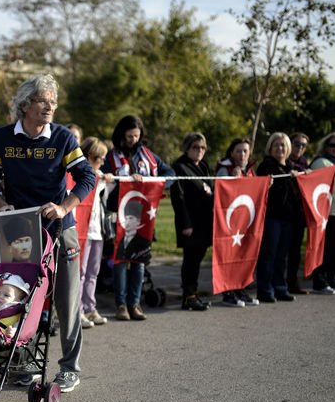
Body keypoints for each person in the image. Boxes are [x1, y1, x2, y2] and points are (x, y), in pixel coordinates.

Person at [0, 74, 95, 393]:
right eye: (43, 100)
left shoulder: (63, 138)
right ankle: (24, 366)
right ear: (25, 105)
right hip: (19, 231)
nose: (50, 107)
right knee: (21, 300)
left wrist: (64, 207)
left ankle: (69, 368)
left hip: (61, 231)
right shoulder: (2, 138)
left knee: (66, 301)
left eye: (53, 101)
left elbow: (87, 177)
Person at [101, 115, 174, 321]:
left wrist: (153, 183)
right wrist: (114, 179)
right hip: (119, 215)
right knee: (121, 261)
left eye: (136, 135)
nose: (133, 139)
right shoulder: (111, 157)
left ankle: (135, 303)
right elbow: (100, 176)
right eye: (129, 136)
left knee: (139, 260)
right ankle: (121, 305)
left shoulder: (149, 156)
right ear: (121, 135)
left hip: (144, 216)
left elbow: (170, 174)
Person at [170, 133, 213, 312]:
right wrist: (185, 224)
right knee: (191, 260)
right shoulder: (179, 167)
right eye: (195, 147)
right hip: (190, 221)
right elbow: (178, 198)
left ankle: (193, 294)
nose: (199, 151)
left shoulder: (203, 166)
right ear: (187, 148)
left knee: (198, 257)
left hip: (205, 220)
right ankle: (189, 296)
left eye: (202, 147)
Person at [255, 132, 300, 303]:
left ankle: (280, 288)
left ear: (288, 148)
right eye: (276, 145)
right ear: (270, 148)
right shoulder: (265, 167)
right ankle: (265, 290)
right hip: (272, 217)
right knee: (269, 254)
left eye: (283, 145)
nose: (280, 148)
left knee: (282, 255)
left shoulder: (290, 167)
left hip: (288, 218)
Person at [215, 138, 259, 307]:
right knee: (229, 256)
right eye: (238, 151)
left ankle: (241, 290)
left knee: (244, 255)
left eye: (245, 151)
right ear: (231, 153)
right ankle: (228, 293)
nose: (242, 154)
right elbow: (220, 191)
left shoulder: (249, 169)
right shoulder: (225, 169)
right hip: (228, 222)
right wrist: (232, 180)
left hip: (245, 220)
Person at [309, 132, 335, 295]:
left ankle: (333, 279)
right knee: (326, 249)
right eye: (333, 145)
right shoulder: (322, 162)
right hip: (328, 213)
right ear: (326, 146)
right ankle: (320, 281)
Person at [78, 137, 111, 328]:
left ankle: (90, 307)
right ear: (90, 156)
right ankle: (78, 310)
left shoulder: (100, 175)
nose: (103, 162)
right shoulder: (80, 174)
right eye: (101, 158)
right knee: (81, 272)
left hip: (97, 229)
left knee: (93, 272)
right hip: (83, 230)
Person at [286, 132, 311, 295]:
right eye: (296, 144)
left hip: (299, 213)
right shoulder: (284, 161)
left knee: (295, 250)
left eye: (303, 145)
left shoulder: (305, 163)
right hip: (283, 213)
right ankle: (277, 284)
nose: (299, 148)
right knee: (280, 251)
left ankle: (293, 282)